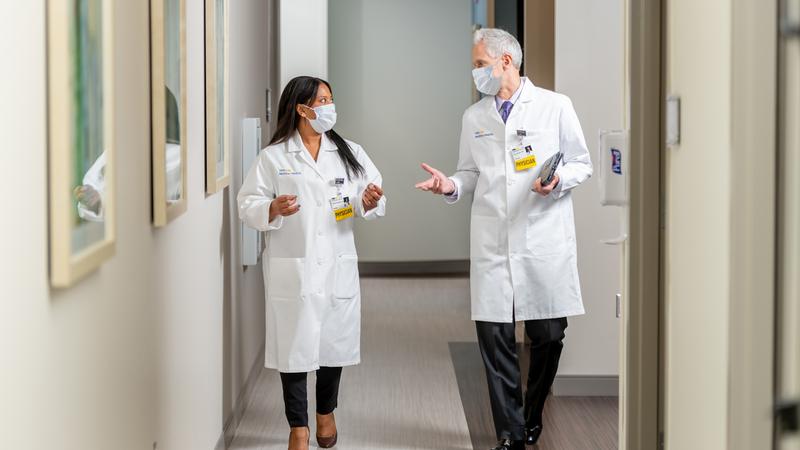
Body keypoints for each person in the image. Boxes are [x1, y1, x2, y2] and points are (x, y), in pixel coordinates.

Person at [415, 28, 592, 450]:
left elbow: (582, 163)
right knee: (495, 343)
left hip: (541, 239)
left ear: (505, 62)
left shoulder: (554, 106)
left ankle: (531, 415)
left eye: (480, 64)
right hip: (493, 242)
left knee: (548, 335)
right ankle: (511, 433)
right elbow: (469, 173)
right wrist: (449, 187)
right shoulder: (475, 117)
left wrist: (559, 179)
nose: (476, 73)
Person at [238, 76, 386, 450]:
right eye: (321, 100)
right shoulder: (274, 157)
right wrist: (271, 207)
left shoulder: (350, 151)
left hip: (336, 262)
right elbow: (247, 203)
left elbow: (371, 194)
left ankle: (326, 413)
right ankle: (298, 428)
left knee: (332, 345)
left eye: (330, 98)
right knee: (294, 348)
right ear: (301, 109)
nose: (329, 106)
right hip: (295, 266)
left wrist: (367, 201)